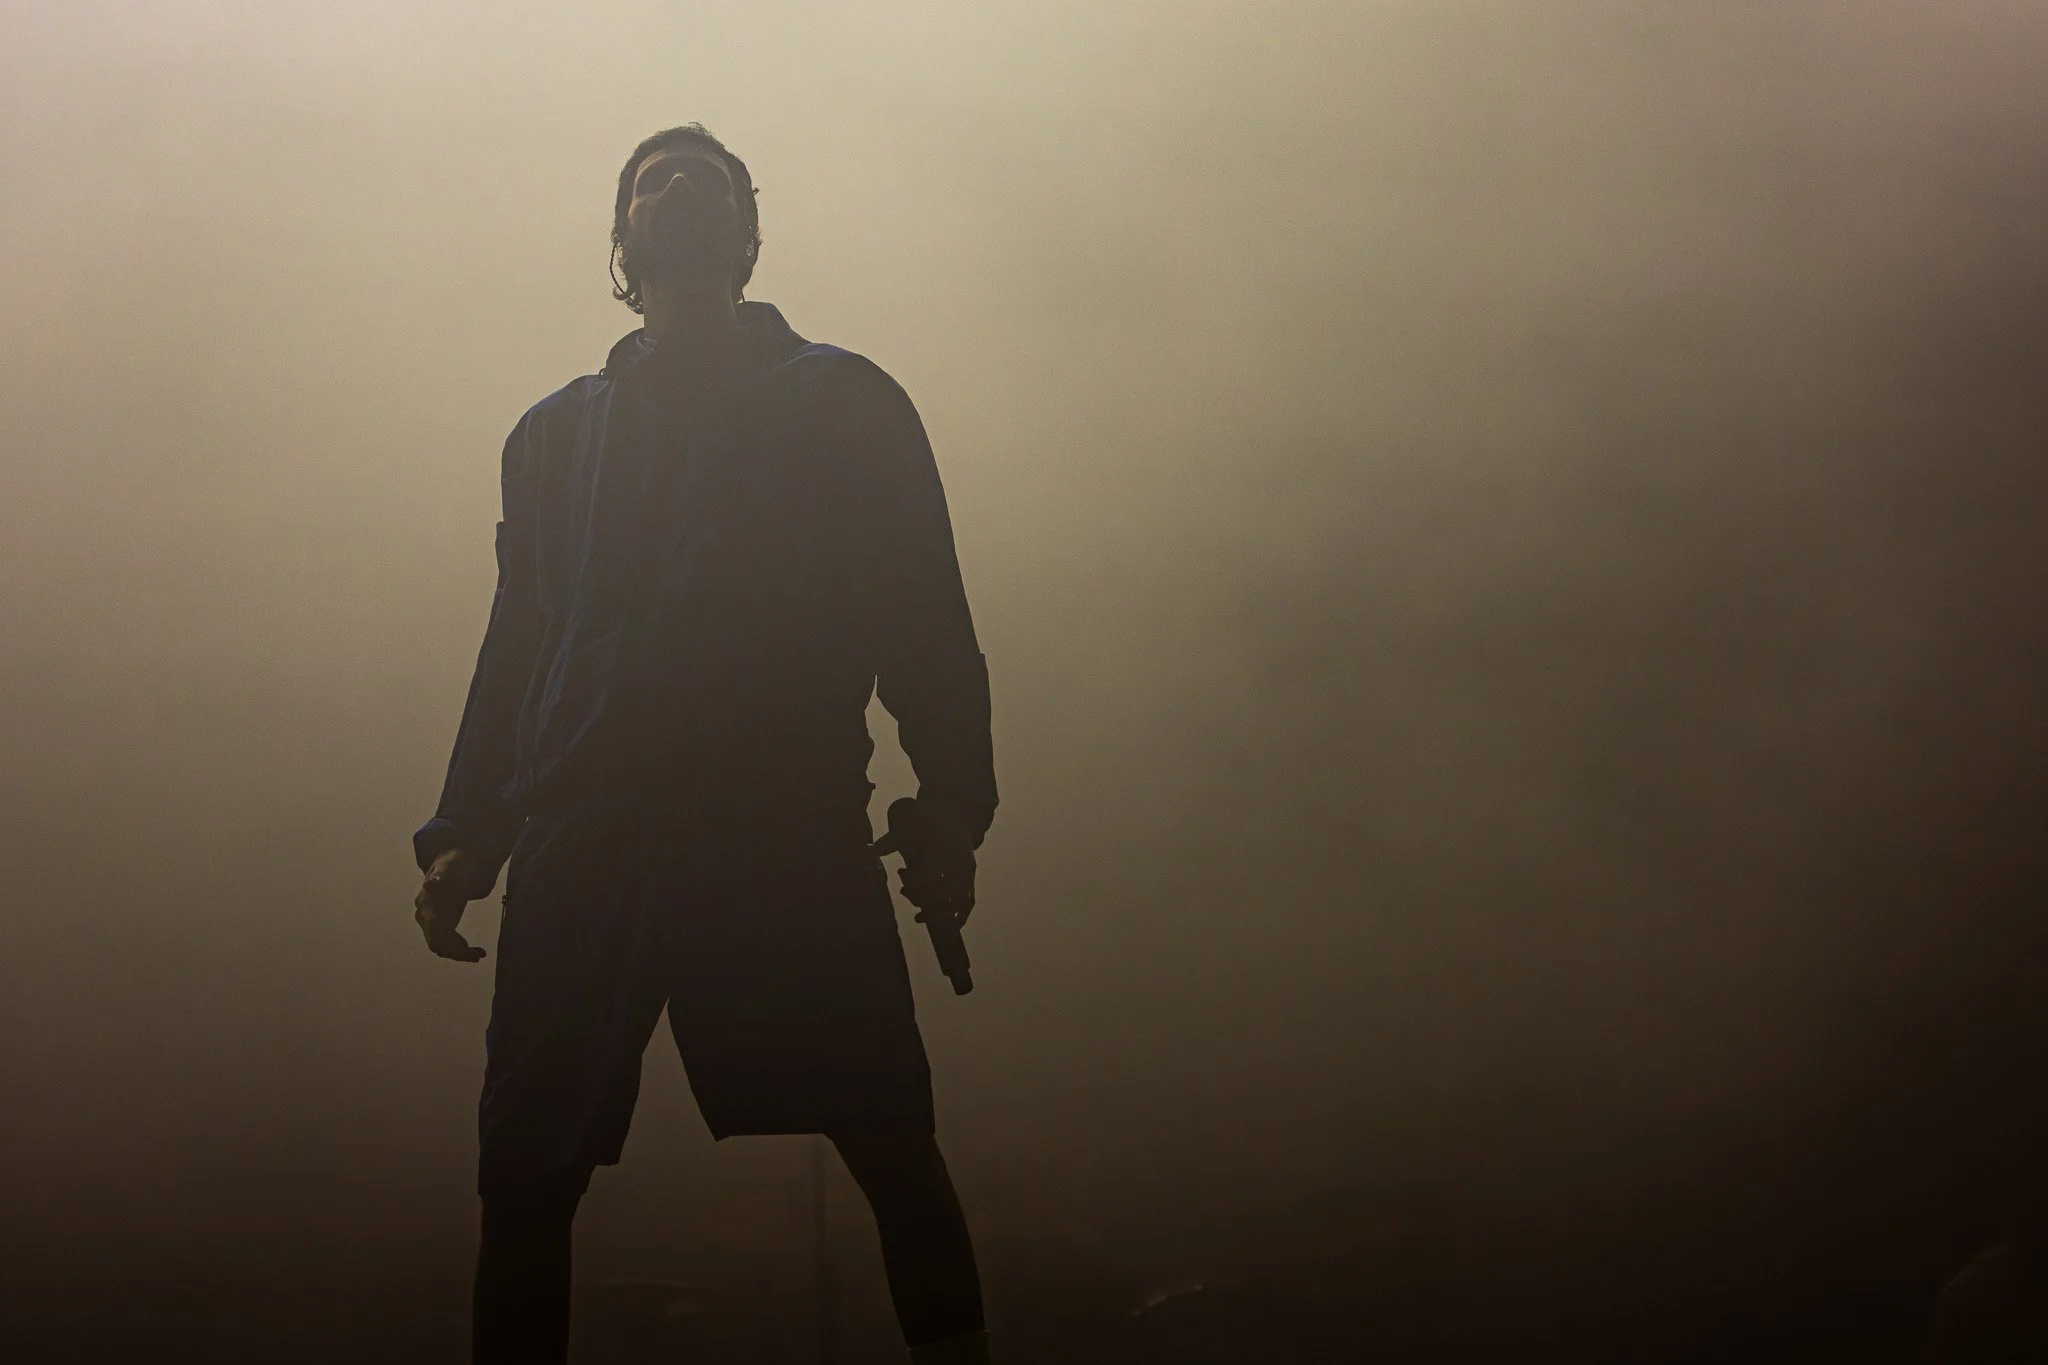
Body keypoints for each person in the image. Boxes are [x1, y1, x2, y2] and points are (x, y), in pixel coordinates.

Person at [409, 123, 997, 1365]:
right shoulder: (554, 437)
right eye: (649, 183)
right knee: (521, 1181)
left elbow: (919, 610)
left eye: (707, 181)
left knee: (892, 1145)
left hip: (776, 837)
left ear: (747, 235)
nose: (676, 190)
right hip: (587, 842)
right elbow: (520, 644)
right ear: (619, 245)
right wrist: (471, 830)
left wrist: (951, 799)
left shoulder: (843, 399)